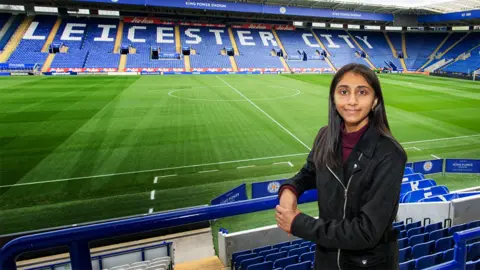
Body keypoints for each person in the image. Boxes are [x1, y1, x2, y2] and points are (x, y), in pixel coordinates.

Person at [276, 63, 407, 270]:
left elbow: (367, 232)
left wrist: (299, 223)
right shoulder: (325, 136)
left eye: (362, 92)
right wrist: (290, 189)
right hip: (326, 261)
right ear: (333, 98)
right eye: (344, 92)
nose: (352, 101)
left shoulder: (390, 154)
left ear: (375, 100)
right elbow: (309, 173)